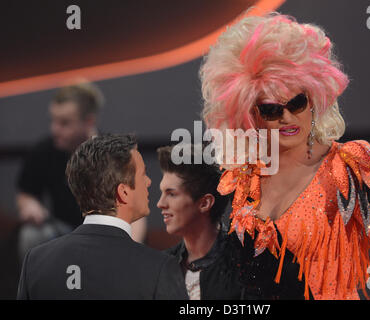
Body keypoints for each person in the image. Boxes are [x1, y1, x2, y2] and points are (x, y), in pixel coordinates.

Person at [199, 13, 370, 299]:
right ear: (252, 116)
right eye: (272, 110)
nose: (287, 117)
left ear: (314, 99)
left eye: (297, 103)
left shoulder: (350, 166)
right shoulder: (243, 183)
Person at [17, 134, 188, 300]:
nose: (149, 181)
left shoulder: (35, 262)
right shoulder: (160, 269)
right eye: (143, 174)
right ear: (123, 193)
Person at [15, 81, 147, 243]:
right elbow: (26, 192)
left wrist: (130, 252)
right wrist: (30, 205)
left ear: (89, 122)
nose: (54, 129)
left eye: (64, 123)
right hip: (62, 233)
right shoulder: (44, 150)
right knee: (31, 234)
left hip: (105, 237)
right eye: (53, 121)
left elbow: (136, 214)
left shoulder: (116, 155)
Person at [157, 143, 241, 300]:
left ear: (204, 203)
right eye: (162, 192)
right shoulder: (161, 268)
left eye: (172, 194)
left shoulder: (242, 266)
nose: (160, 203)